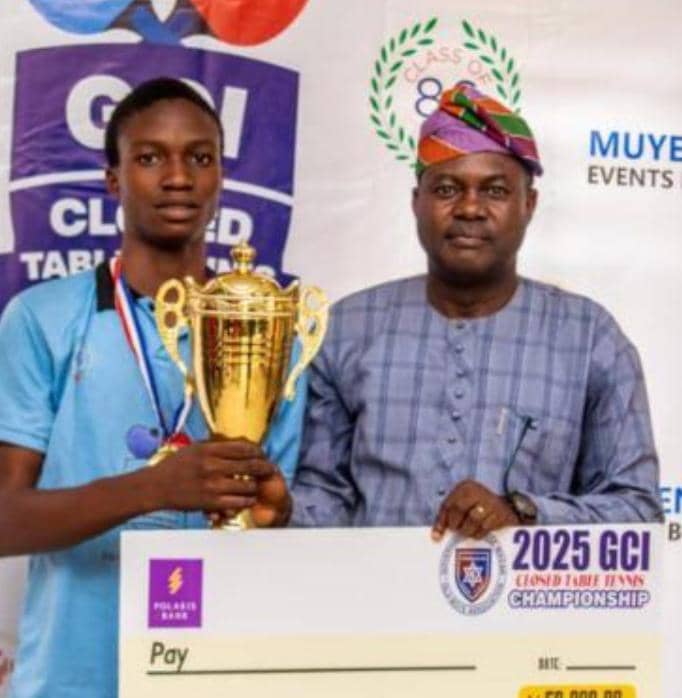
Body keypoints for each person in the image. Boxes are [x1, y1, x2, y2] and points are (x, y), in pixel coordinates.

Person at [0, 78, 295, 697]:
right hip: (73, 680)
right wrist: (154, 488)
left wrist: (273, 513)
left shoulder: (270, 335)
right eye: (150, 157)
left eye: (200, 157)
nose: (178, 177)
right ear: (114, 180)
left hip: (219, 674)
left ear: (221, 180)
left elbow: (275, 523)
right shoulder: (41, 318)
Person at [287, 80, 663, 537]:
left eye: (495, 191)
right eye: (447, 189)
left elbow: (638, 510)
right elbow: (326, 502)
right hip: (371, 584)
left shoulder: (589, 338)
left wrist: (524, 513)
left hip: (531, 588)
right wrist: (280, 510)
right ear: (416, 202)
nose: (470, 208)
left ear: (529, 205)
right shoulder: (346, 329)